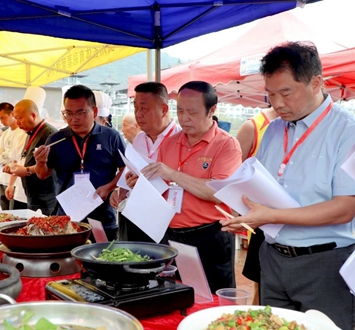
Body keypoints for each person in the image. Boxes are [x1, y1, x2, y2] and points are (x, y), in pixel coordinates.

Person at [219, 41, 355, 330]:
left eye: (286, 93)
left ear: (316, 83)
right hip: (274, 257)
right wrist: (245, 214)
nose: (277, 103)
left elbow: (343, 209)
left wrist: (270, 216)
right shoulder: (275, 129)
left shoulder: (350, 131)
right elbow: (261, 187)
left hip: (326, 263)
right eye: (270, 94)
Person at [128, 81, 242, 292]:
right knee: (177, 293)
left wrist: (172, 174)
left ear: (212, 110)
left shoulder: (226, 145)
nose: (184, 118)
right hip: (172, 234)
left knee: (213, 297)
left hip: (210, 236)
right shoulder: (170, 142)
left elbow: (219, 192)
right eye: (180, 111)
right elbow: (160, 187)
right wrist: (140, 184)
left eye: (192, 112)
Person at [32, 85, 126, 240]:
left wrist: (110, 187)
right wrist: (40, 162)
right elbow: (42, 174)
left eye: (80, 112)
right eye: (68, 113)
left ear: (94, 112)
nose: (73, 119)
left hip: (102, 217)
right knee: (70, 262)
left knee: (102, 259)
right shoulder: (56, 139)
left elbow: (125, 169)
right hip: (68, 219)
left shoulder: (111, 137)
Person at [111, 82, 180, 242]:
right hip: (135, 216)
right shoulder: (140, 139)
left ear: (164, 109)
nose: (138, 114)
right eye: (135, 108)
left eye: (144, 108)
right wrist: (121, 190)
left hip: (166, 222)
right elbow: (131, 174)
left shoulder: (180, 139)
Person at [235, 106, 279, 305]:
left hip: (297, 222)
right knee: (261, 286)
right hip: (262, 220)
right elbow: (234, 174)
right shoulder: (254, 126)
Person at [4, 99, 58, 215]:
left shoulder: (49, 133)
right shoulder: (30, 133)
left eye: (19, 118)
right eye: (15, 118)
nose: (17, 123)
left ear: (33, 116)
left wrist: (26, 170)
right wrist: (15, 168)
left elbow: (50, 166)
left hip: (46, 196)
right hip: (32, 194)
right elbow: (26, 160)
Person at [0, 102, 28, 210]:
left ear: (12, 114)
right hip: (2, 179)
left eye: (3, 118)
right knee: (3, 216)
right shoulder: (5, 133)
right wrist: (8, 163)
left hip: (15, 181)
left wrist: (10, 162)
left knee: (14, 215)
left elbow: (18, 160)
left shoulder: (23, 133)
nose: (1, 121)